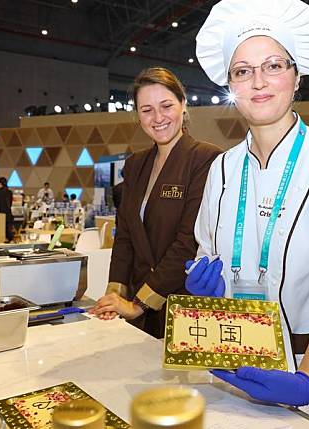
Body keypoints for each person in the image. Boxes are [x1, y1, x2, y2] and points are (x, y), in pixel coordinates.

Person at [186, 0, 309, 418]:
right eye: (242, 71)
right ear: (231, 86)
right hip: (243, 363)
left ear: (297, 78)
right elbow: (209, 252)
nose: (258, 81)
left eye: (273, 65)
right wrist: (208, 289)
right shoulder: (221, 169)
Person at [90, 67, 222, 338]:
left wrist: (138, 304)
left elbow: (188, 242)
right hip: (137, 310)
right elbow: (125, 235)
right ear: (137, 115)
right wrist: (114, 297)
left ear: (183, 105)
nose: (158, 117)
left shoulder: (206, 159)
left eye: (166, 106)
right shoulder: (136, 164)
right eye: (147, 109)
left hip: (182, 304)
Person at [0, 177, 14, 242]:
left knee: (1, 231)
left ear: (0, 183)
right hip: (8, 213)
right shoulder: (9, 192)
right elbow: (10, 204)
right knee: (8, 230)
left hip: (0, 214)